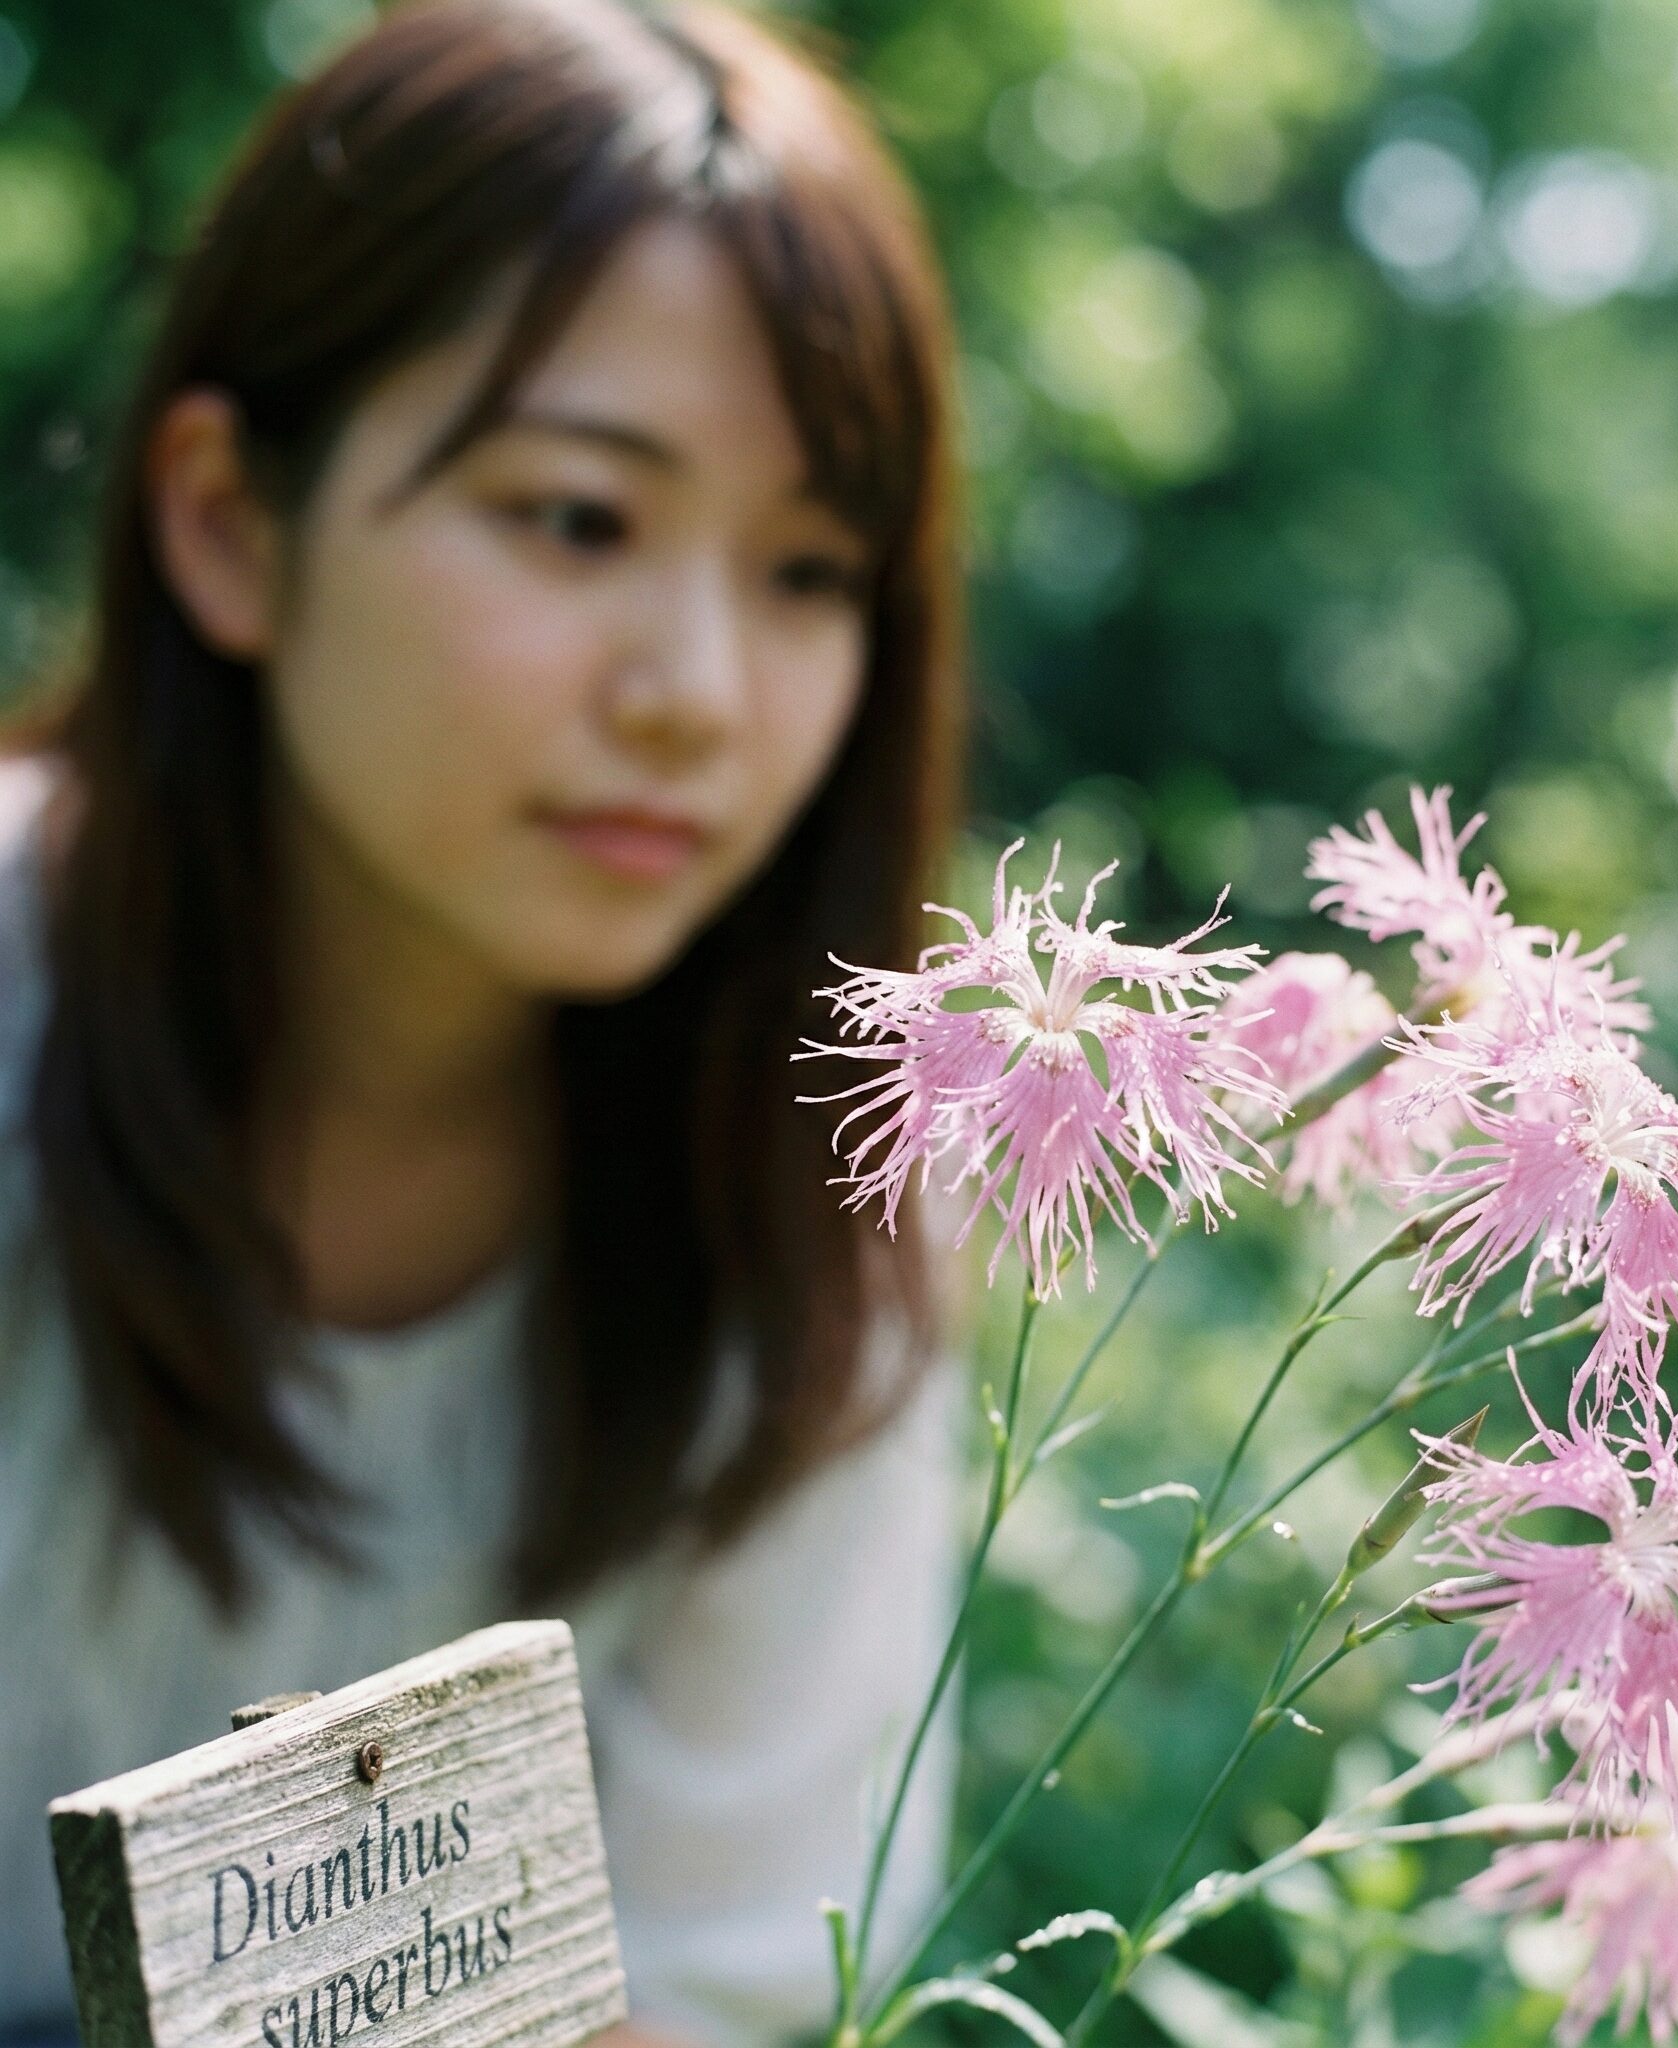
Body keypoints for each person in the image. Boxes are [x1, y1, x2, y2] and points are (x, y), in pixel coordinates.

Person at [0, 0, 966, 2042]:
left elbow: (731, 1976)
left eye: (810, 570)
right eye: (577, 518)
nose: (699, 688)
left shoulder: (819, 1216)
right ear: (229, 522)